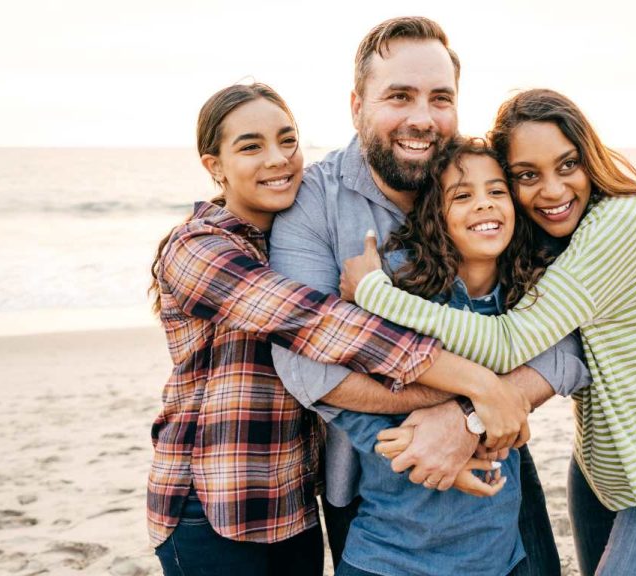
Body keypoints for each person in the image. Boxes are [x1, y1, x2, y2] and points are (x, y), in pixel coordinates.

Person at [341, 89, 636, 576]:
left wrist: (374, 292)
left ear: (589, 157)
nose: (551, 191)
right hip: (603, 469)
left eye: (567, 165)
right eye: (527, 176)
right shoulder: (557, 238)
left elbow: (510, 342)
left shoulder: (623, 222)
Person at [146, 82, 530, 576]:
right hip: (214, 505)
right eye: (251, 146)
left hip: (294, 503)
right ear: (213, 166)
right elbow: (319, 324)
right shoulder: (197, 249)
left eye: (288, 140)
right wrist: (479, 388)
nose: (278, 159)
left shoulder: (285, 237)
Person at [269, 18, 588, 575]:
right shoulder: (313, 204)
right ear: (356, 105)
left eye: (441, 98)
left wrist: (467, 419)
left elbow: (569, 341)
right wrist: (469, 399)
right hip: (377, 491)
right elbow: (305, 366)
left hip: (496, 465)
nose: (422, 117)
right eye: (399, 96)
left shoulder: (493, 188)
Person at [332, 137, 589, 576]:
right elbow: (343, 383)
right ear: (435, 212)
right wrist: (404, 445)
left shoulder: (532, 296)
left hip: (497, 551)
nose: (484, 205)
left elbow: (568, 361)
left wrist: (474, 419)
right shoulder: (398, 282)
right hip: (391, 548)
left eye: (496, 191)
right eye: (463, 196)